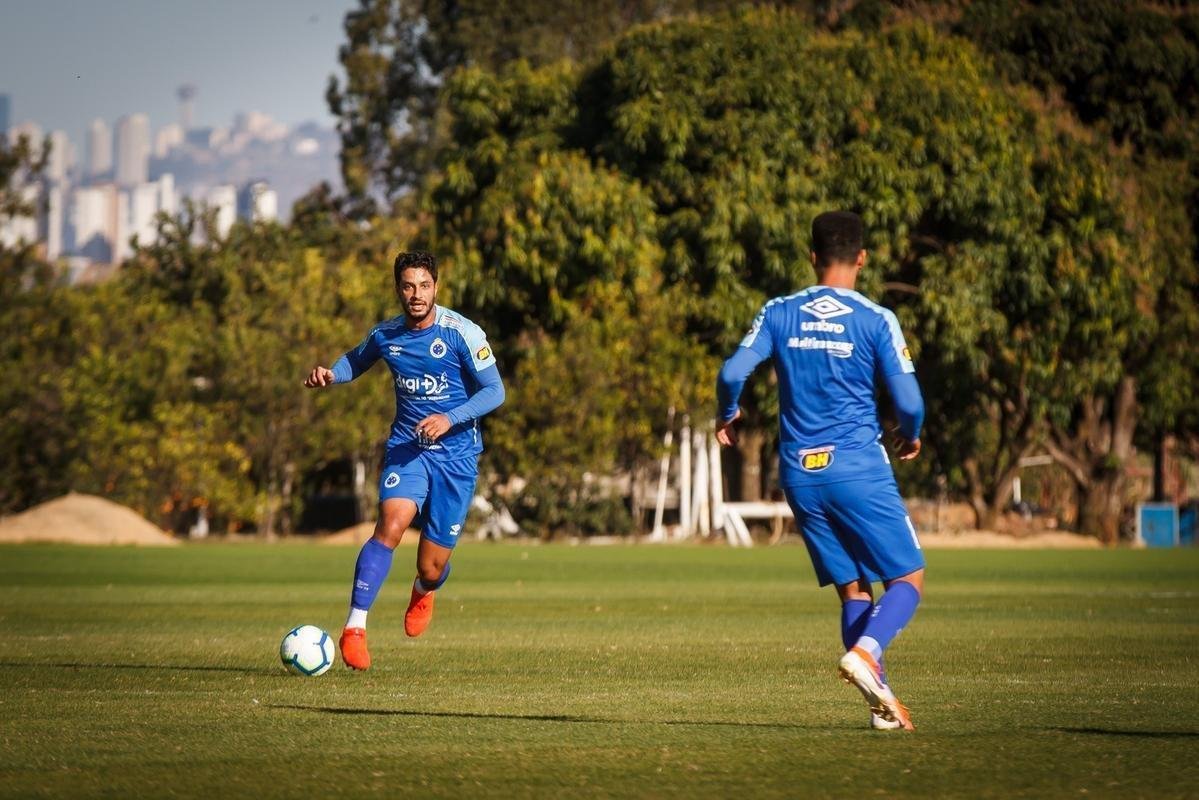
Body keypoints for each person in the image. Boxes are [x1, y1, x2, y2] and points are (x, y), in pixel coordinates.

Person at [715, 211, 925, 730]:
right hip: (858, 465)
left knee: (854, 588)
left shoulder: (779, 311)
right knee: (908, 579)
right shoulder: (876, 318)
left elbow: (732, 371)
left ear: (812, 257)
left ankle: (882, 706)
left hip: (800, 475)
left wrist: (727, 412)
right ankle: (870, 652)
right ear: (862, 258)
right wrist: (910, 430)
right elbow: (910, 401)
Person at [304, 251, 505, 670]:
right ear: (398, 288)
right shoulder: (386, 335)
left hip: (457, 457)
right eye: (408, 286)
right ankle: (355, 627)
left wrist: (449, 418)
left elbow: (494, 392)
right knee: (390, 526)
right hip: (408, 449)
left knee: (431, 566)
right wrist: (331, 375)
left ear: (437, 287)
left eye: (424, 286)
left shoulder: (461, 334)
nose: (416, 294)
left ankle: (425, 588)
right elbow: (354, 361)